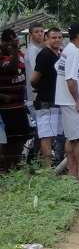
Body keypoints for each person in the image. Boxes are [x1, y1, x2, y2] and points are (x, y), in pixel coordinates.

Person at [55, 22, 79, 184]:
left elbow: (57, 67)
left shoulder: (68, 51)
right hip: (74, 104)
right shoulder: (72, 53)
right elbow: (71, 80)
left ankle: (72, 173)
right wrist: (78, 101)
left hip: (68, 101)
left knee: (72, 138)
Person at [0, 29, 33, 170]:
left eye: (12, 40)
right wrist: (13, 49)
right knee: (10, 139)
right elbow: (12, 69)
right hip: (6, 108)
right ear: (2, 41)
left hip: (20, 104)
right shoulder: (1, 57)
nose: (9, 43)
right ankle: (7, 167)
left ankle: (16, 165)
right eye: (7, 40)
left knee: (21, 137)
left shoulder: (21, 55)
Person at [30, 28, 64, 167]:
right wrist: (38, 86)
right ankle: (47, 168)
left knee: (56, 133)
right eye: (53, 37)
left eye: (59, 37)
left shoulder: (58, 55)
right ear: (47, 39)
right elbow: (34, 79)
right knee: (46, 134)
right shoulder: (45, 54)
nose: (57, 40)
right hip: (45, 100)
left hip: (57, 100)